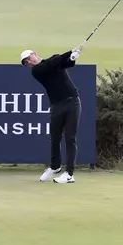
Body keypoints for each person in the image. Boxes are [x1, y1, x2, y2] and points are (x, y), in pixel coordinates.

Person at [20, 46, 82, 184]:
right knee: (55, 137)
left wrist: (72, 58)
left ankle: (69, 174)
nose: (29, 62)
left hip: (72, 102)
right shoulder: (37, 71)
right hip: (56, 106)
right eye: (26, 63)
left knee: (70, 138)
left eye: (29, 58)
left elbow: (64, 63)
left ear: (35, 54)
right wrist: (69, 53)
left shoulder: (54, 62)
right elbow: (52, 62)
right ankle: (55, 166)